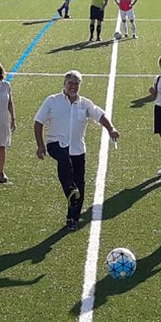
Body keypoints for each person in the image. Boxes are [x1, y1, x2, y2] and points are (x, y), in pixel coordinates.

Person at [34, 70, 120, 230]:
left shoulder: (84, 103)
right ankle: (70, 189)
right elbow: (38, 122)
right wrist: (40, 145)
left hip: (78, 149)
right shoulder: (52, 101)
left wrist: (111, 129)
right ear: (64, 84)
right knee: (64, 159)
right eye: (70, 83)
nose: (73, 87)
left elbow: (99, 115)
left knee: (80, 183)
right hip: (55, 143)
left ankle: (72, 218)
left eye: (76, 84)